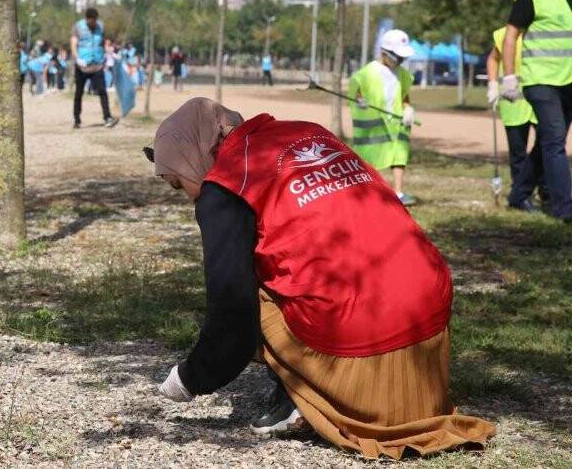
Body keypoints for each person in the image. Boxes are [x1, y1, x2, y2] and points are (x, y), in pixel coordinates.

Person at [148, 98, 495, 460]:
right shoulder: (307, 132)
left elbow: (231, 313)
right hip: (427, 314)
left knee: (255, 284)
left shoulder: (226, 184)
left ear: (194, 153)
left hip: (363, 332)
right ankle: (382, 397)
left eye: (178, 185)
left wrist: (190, 378)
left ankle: (305, 400)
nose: (188, 197)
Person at [500, 0, 572, 223]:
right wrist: (508, 78)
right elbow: (511, 35)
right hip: (540, 80)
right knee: (555, 142)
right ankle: (565, 208)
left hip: (568, 79)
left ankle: (519, 195)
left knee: (546, 141)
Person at [347, 29, 417, 206]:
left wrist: (408, 108)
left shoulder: (402, 74)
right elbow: (355, 94)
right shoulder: (367, 73)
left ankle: (398, 192)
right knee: (370, 158)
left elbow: (404, 96)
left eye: (402, 59)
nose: (400, 62)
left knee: (399, 155)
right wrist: (360, 102)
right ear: (385, 53)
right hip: (374, 125)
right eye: (397, 58)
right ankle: (367, 191)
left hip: (397, 122)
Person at [487, 26, 548, 211]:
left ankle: (546, 190)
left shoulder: (543, 30)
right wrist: (492, 83)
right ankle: (521, 195)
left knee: (546, 145)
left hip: (540, 99)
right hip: (513, 101)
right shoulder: (502, 34)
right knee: (518, 151)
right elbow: (493, 58)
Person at [70, 7, 117, 128]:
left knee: (102, 92)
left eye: (94, 21)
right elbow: (73, 44)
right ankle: (76, 120)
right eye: (90, 21)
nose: (93, 23)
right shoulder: (78, 27)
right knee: (78, 93)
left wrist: (109, 52)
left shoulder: (101, 27)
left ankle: (107, 118)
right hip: (82, 66)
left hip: (97, 65)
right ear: (86, 19)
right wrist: (77, 58)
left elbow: (104, 42)